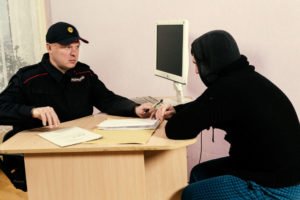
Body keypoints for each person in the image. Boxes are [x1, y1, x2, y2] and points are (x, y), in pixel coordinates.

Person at [0, 21, 154, 191]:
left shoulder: (84, 73)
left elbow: (108, 99)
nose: (74, 53)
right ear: (49, 48)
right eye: (66, 47)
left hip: (80, 149)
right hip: (42, 156)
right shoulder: (28, 77)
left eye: (77, 47)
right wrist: (32, 111)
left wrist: (134, 108)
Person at [155, 30, 300, 199]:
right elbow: (205, 106)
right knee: (199, 173)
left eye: (197, 64)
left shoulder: (226, 90)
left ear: (211, 62)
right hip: (276, 171)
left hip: (277, 186)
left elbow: (176, 130)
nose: (196, 71)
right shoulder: (245, 79)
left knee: (191, 194)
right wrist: (178, 110)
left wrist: (177, 116)